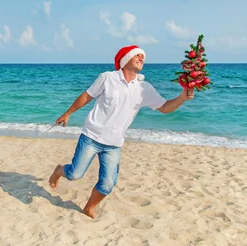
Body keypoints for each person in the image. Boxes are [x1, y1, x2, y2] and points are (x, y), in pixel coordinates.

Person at [49, 45, 194, 218]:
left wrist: (182, 98)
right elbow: (87, 96)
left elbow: (164, 107)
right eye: (137, 55)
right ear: (125, 59)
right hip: (91, 136)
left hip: (114, 144)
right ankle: (59, 171)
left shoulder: (144, 88)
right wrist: (67, 113)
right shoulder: (107, 78)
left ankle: (89, 207)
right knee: (74, 174)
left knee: (108, 184)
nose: (142, 58)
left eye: (143, 57)